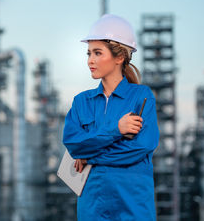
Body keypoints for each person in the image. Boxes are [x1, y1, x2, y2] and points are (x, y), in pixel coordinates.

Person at [62, 14, 159, 220]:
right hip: (92, 207)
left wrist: (90, 157)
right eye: (89, 53)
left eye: (98, 53)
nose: (90, 60)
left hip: (132, 206)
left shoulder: (141, 97)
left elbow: (140, 148)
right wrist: (116, 130)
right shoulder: (82, 102)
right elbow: (73, 144)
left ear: (119, 57)